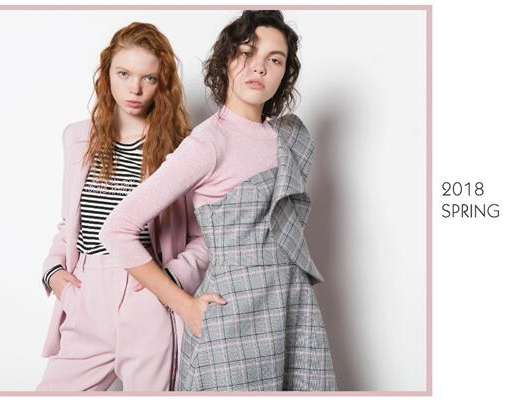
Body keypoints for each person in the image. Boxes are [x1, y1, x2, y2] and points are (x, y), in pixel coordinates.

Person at [100, 11, 337, 391]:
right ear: (226, 60)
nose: (259, 68)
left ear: (284, 73)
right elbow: (116, 229)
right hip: (234, 321)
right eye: (246, 53)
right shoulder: (208, 142)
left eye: (274, 60)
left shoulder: (287, 138)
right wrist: (184, 305)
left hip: (292, 308)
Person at [36, 22, 208, 391]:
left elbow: (204, 236)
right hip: (87, 293)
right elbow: (71, 223)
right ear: (107, 74)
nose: (135, 88)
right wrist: (53, 272)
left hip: (147, 292)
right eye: (124, 74)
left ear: (162, 82)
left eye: (149, 78)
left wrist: (170, 281)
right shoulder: (78, 138)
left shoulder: (182, 147)